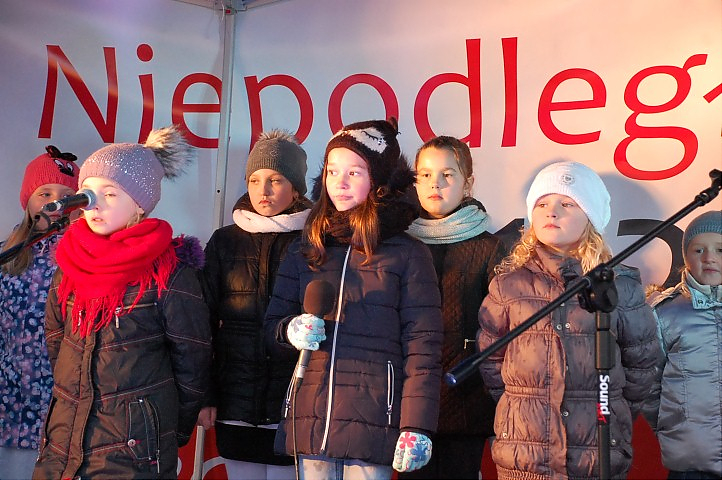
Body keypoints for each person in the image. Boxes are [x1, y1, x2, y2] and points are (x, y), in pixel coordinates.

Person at [263, 118, 443, 480]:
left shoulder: (408, 254)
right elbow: (271, 329)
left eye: (354, 172)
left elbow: (423, 347)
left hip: (375, 424)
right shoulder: (306, 248)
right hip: (311, 423)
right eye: (332, 171)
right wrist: (290, 331)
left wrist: (417, 426)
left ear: (378, 181)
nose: (340, 183)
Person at [32, 125, 212, 479]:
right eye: (88, 192)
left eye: (111, 193)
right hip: (63, 444)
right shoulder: (69, 264)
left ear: (140, 204)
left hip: (133, 452)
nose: (95, 204)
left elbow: (192, 360)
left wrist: (161, 433)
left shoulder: (169, 272)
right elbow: (57, 341)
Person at [476, 160, 661, 479]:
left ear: (591, 216)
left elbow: (641, 366)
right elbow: (491, 361)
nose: (552, 212)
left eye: (567, 203)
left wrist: (612, 411)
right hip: (525, 457)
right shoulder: (508, 286)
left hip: (596, 455)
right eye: (543, 204)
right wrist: (521, 412)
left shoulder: (620, 287)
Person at [198, 129, 312, 480]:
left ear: (296, 189)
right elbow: (202, 322)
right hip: (235, 400)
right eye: (255, 180)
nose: (263, 190)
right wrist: (206, 395)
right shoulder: (224, 241)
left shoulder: (314, 242)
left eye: (275, 180)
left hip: (292, 402)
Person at [404, 136, 504, 479]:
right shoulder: (400, 243)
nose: (436, 184)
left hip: (466, 399)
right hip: (410, 399)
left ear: (468, 184)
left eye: (448, 174)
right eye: (426, 174)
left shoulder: (489, 247)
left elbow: (499, 327)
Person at [0, 146, 79, 480]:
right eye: (44, 193)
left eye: (66, 196)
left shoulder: (83, 257)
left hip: (58, 409)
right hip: (8, 405)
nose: (54, 202)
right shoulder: (8, 256)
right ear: (28, 200)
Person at [642, 210, 722, 480]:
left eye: (720, 249)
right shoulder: (665, 312)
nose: (709, 258)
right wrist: (670, 427)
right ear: (685, 256)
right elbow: (650, 383)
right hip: (689, 463)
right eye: (699, 250)